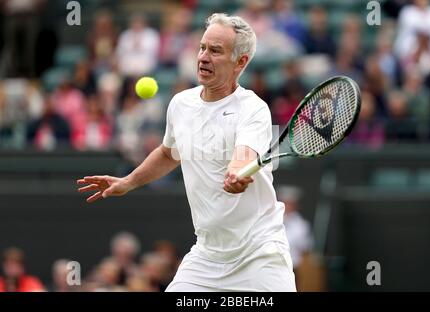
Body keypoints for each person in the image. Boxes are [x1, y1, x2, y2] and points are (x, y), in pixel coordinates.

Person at [77, 13, 296, 292]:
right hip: (207, 255)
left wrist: (236, 173)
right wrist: (128, 182)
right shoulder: (181, 104)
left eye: (216, 51)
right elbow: (169, 154)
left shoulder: (253, 109)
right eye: (203, 47)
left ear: (241, 62)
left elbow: (244, 155)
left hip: (259, 254)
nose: (203, 57)